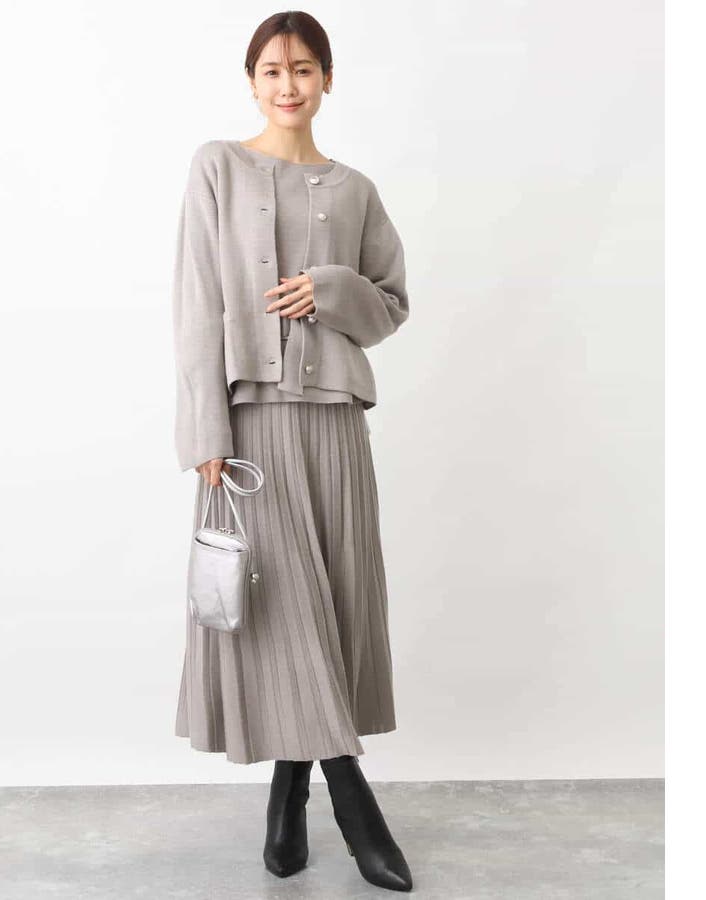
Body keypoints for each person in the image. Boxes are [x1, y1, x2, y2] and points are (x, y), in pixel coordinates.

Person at [171, 11, 413, 893]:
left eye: (303, 69)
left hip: (336, 422)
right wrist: (205, 431)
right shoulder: (217, 167)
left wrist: (335, 288)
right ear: (252, 81)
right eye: (272, 70)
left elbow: (390, 306)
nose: (287, 85)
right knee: (284, 612)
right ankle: (353, 804)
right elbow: (196, 303)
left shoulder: (356, 191)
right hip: (251, 427)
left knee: (330, 608)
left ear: (327, 80)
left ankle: (286, 799)